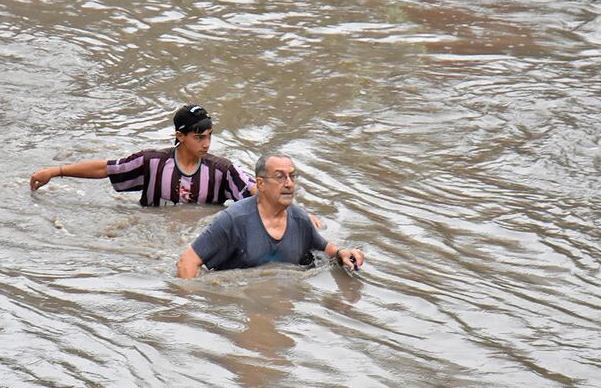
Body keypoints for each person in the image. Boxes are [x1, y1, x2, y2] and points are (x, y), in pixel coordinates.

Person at [177, 152, 364, 278]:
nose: (289, 183)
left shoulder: (300, 221)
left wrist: (343, 254)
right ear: (260, 184)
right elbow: (187, 263)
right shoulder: (234, 220)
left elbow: (325, 249)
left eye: (292, 176)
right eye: (280, 177)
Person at [30, 105, 255, 207]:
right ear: (180, 136)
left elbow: (255, 194)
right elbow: (106, 169)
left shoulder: (222, 170)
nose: (207, 144)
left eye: (209, 136)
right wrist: (56, 171)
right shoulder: (152, 163)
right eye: (199, 138)